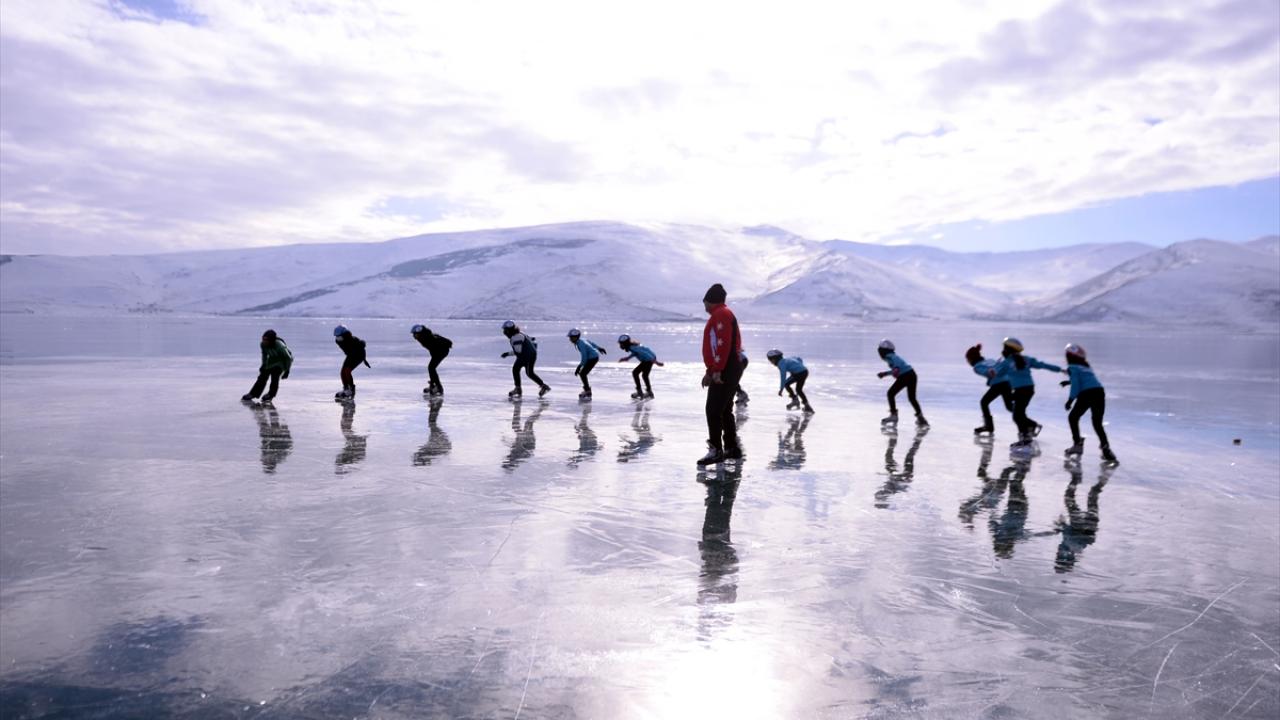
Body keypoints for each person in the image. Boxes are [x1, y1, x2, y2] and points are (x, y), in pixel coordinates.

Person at [699, 283, 745, 466]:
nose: (704, 306)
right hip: (729, 365)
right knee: (724, 409)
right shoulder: (722, 313)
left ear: (709, 300)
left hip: (727, 367)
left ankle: (716, 449)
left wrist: (716, 370)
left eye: (705, 302)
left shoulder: (721, 314)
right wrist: (711, 369)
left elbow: (722, 344)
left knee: (713, 410)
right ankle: (731, 448)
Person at [989, 337, 1062, 446]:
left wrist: (992, 371)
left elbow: (996, 374)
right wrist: (1060, 369)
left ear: (1007, 350)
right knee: (1018, 413)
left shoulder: (1006, 362)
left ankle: (1026, 437)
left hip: (1021, 391)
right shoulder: (1026, 359)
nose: (1002, 350)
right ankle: (1031, 427)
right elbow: (1043, 365)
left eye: (1004, 348)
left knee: (1017, 415)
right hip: (1029, 389)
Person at [1060, 343, 1118, 463]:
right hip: (1099, 392)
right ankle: (1105, 447)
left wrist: (1070, 400)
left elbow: (1077, 384)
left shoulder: (1072, 367)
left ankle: (1077, 445)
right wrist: (1068, 382)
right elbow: (1086, 380)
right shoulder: (1086, 367)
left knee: (1073, 417)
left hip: (1087, 394)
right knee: (1097, 423)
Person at [876, 340, 927, 427]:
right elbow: (897, 369)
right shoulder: (891, 356)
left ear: (884, 351)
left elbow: (897, 367)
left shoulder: (890, 356)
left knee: (890, 393)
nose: (879, 353)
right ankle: (921, 418)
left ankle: (894, 415)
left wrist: (892, 371)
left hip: (905, 376)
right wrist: (886, 374)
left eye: (880, 350)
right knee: (912, 398)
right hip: (912, 374)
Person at [966, 343, 1014, 435]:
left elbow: (989, 372)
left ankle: (989, 426)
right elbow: (999, 367)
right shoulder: (990, 360)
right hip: (1008, 382)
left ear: (971, 359)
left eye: (967, 360)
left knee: (984, 402)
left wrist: (990, 373)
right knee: (1009, 406)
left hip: (999, 384)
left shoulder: (977, 367)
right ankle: (1027, 422)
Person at [242, 329, 293, 404]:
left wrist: (287, 371)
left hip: (282, 361)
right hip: (272, 360)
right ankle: (253, 393)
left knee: (275, 377)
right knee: (262, 376)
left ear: (271, 340)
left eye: (266, 340)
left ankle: (271, 394)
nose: (264, 341)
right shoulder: (262, 344)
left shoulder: (280, 345)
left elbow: (288, 358)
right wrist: (263, 365)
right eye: (263, 339)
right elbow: (264, 355)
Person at [501, 321, 549, 398]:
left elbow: (518, 351)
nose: (504, 333)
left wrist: (507, 354)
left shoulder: (515, 338)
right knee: (522, 371)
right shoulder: (520, 334)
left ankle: (519, 388)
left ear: (509, 331)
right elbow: (532, 340)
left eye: (505, 331)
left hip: (527, 356)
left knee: (524, 371)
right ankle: (520, 388)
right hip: (530, 355)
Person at [617, 334, 664, 399]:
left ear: (625, 343)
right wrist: (627, 358)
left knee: (635, 373)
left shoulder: (633, 347)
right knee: (644, 375)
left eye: (621, 344)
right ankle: (649, 392)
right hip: (649, 359)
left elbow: (645, 353)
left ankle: (640, 392)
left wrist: (656, 362)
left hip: (648, 359)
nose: (620, 346)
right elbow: (636, 353)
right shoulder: (632, 346)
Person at [767, 349, 814, 413]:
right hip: (805, 371)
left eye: (771, 360)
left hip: (798, 374)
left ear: (774, 359)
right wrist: (799, 366)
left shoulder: (781, 364)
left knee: (786, 384)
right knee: (799, 390)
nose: (771, 362)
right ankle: (807, 405)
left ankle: (795, 400)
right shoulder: (788, 359)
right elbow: (799, 358)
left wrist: (781, 389)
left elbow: (783, 376)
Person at [411, 324, 453, 396]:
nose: (414, 336)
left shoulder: (427, 337)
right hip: (438, 352)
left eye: (415, 334)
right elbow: (432, 348)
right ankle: (434, 385)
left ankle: (438, 387)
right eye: (413, 334)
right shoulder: (423, 337)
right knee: (431, 368)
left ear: (419, 333)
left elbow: (439, 341)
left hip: (442, 351)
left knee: (431, 368)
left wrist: (447, 344)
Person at [568, 328, 606, 399]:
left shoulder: (580, 344)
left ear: (576, 337)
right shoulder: (582, 340)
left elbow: (584, 357)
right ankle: (587, 390)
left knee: (582, 373)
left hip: (592, 358)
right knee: (583, 373)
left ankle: (587, 390)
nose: (570, 339)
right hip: (593, 357)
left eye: (571, 337)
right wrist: (599, 348)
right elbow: (591, 343)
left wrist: (579, 366)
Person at [333, 325, 369, 400]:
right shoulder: (338, 341)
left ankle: (351, 390)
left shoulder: (353, 340)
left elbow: (362, 348)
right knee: (343, 372)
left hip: (359, 355)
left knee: (347, 371)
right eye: (336, 336)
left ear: (344, 334)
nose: (337, 338)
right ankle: (346, 389)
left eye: (339, 336)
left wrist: (364, 360)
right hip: (351, 355)